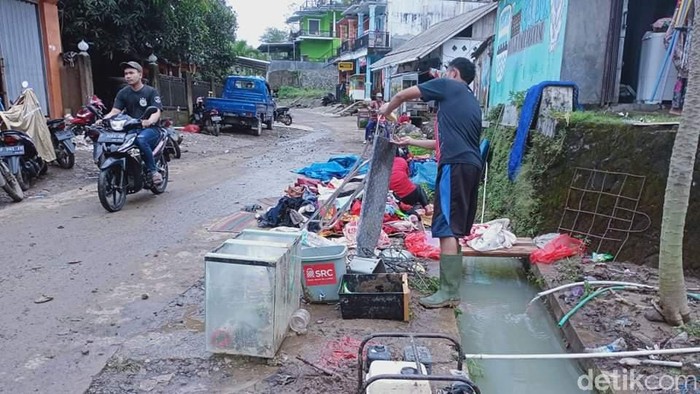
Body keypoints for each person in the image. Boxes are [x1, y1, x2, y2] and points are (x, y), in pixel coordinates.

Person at [378, 57, 482, 309]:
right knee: (455, 226)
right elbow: (441, 143)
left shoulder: (449, 85)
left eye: (447, 72)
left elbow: (403, 94)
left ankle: (448, 292)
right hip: (470, 165)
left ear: (454, 73)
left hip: (454, 166)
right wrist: (410, 143)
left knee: (446, 225)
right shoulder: (470, 100)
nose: (444, 75)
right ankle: (451, 288)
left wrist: (386, 110)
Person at [104, 61, 164, 184]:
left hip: (151, 129)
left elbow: (156, 111)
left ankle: (153, 171)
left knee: (141, 139)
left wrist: (149, 121)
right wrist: (103, 120)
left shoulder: (151, 92)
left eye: (131, 73)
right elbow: (115, 111)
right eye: (126, 74)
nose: (128, 76)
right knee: (113, 142)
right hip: (131, 128)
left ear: (140, 75)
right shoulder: (123, 93)